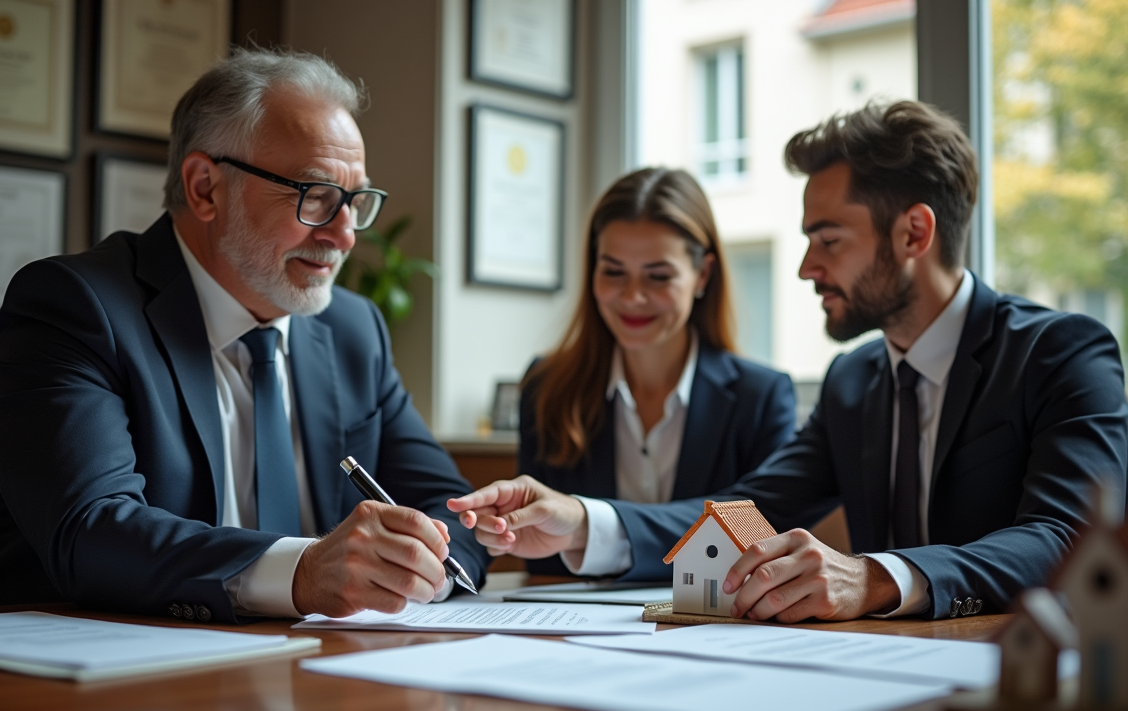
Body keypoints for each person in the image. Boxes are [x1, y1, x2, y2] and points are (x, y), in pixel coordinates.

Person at [449, 100, 1128, 621]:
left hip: (1024, 685)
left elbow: (1066, 538)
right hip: (885, 685)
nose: (807, 267)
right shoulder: (855, 381)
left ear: (914, 232)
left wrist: (875, 576)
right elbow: (752, 512)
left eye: (827, 239)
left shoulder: (1062, 353)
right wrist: (584, 521)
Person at [0, 49, 488, 621]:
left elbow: (454, 512)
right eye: (316, 196)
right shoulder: (77, 305)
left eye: (354, 201)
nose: (345, 236)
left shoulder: (352, 329)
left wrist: (420, 567)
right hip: (36, 673)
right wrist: (301, 573)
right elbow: (91, 529)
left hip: (283, 670)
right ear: (205, 188)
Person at [512, 168, 795, 578]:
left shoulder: (761, 396)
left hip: (714, 626)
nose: (632, 297)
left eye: (658, 276)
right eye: (613, 272)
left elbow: (761, 536)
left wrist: (594, 526)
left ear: (702, 275)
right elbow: (541, 555)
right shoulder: (547, 387)